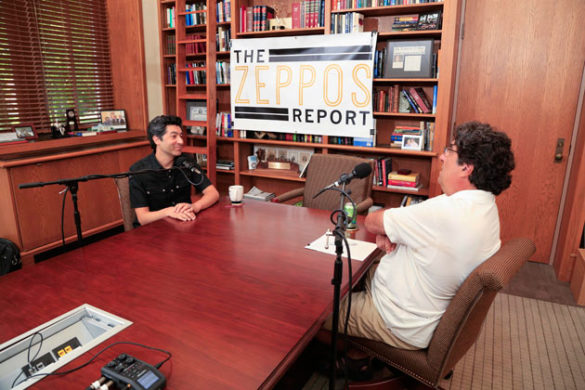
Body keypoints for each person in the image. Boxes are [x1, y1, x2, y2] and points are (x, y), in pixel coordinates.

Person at [324, 121, 515, 350]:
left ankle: (341, 358)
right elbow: (398, 228)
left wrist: (387, 229)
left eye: (449, 151)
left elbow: (373, 221)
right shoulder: (484, 206)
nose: (442, 158)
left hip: (395, 319)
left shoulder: (445, 212)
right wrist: (391, 231)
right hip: (419, 303)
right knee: (355, 267)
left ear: (467, 167)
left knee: (314, 308)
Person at [129, 115, 219, 226]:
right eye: (174, 136)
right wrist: (168, 211)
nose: (181, 141)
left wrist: (195, 206)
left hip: (184, 225)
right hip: (154, 230)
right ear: (156, 139)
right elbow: (143, 218)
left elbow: (213, 193)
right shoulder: (139, 170)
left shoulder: (187, 162)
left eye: (181, 136)